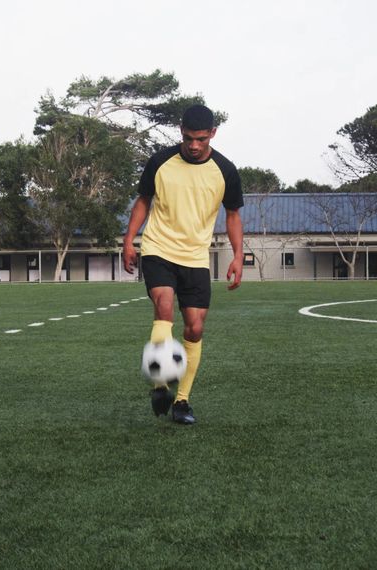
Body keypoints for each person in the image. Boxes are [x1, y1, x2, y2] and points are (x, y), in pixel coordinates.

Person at [121, 104, 244, 425]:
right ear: (181, 132)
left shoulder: (226, 171)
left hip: (195, 256)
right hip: (158, 247)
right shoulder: (160, 162)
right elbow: (143, 202)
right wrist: (128, 240)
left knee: (195, 326)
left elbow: (233, 215)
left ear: (213, 134)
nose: (193, 145)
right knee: (163, 306)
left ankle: (182, 401)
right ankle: (160, 383)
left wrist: (238, 255)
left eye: (201, 139)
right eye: (188, 138)